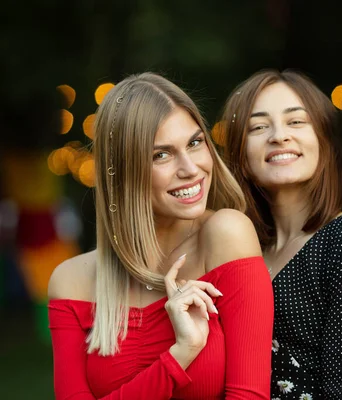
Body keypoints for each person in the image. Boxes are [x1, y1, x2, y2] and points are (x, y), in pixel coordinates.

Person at [47, 72, 274, 399]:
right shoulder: (72, 281)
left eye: (195, 143)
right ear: (123, 171)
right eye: (161, 155)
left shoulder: (226, 235)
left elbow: (250, 395)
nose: (191, 169)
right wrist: (181, 354)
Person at [220, 70, 342, 399]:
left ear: (324, 141)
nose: (278, 136)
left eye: (296, 122)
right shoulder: (240, 250)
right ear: (240, 157)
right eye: (258, 127)